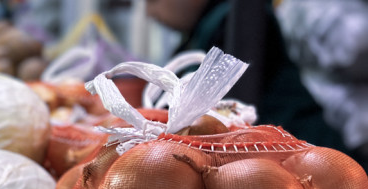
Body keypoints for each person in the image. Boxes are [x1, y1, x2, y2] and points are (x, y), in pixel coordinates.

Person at [144, 0, 348, 153]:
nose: (147, 6)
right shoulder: (210, 24)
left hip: (306, 157)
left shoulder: (239, 19)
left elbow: (213, 125)